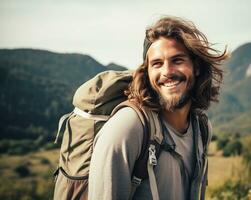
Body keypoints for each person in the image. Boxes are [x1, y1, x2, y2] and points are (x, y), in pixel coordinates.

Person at [88, 16, 228, 200]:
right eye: (157, 64)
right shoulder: (127, 128)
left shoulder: (201, 128)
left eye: (177, 60)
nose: (167, 72)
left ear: (196, 67)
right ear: (147, 73)